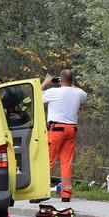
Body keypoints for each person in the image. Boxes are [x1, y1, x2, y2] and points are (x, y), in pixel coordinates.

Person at [41, 69, 87, 202]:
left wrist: (45, 83)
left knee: (48, 161)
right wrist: (71, 83)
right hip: (71, 130)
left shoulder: (53, 92)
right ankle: (66, 194)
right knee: (66, 162)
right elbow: (83, 97)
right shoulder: (79, 93)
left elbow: (34, 96)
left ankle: (42, 192)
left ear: (60, 80)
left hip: (56, 130)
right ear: (72, 80)